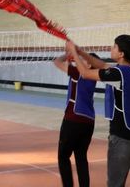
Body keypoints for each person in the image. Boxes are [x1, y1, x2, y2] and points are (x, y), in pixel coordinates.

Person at [66, 35, 130, 187]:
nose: (110, 48)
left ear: (121, 54)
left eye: (114, 47)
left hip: (123, 139)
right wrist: (81, 53)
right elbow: (103, 65)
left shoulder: (118, 74)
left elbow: (86, 74)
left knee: (115, 184)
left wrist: (73, 53)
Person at [53, 52, 99, 187]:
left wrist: (68, 54)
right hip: (89, 122)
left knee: (63, 156)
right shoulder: (94, 76)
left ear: (89, 64)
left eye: (84, 60)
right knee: (81, 158)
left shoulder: (78, 72)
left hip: (73, 119)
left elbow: (57, 62)